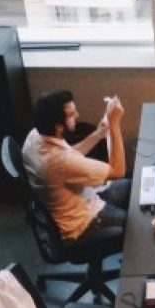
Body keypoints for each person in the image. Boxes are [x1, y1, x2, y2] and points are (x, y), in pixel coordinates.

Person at [22, 90, 130, 249]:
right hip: (81, 223)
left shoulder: (35, 136)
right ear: (58, 126)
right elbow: (118, 171)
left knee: (136, 188)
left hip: (81, 196)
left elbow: (71, 154)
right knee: (141, 225)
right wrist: (114, 124)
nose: (78, 115)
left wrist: (99, 134)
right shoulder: (58, 161)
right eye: (72, 114)